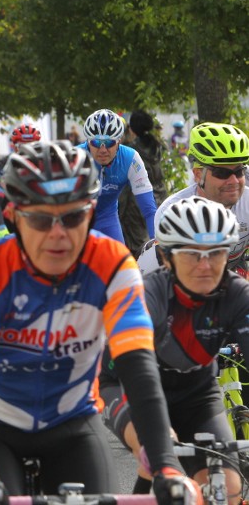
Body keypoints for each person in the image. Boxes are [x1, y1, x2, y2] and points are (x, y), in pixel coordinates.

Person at [0, 140, 199, 505]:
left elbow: (139, 368)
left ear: (91, 215)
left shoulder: (114, 265)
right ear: (13, 217)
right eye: (40, 219)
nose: (58, 234)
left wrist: (166, 466)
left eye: (72, 217)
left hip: (71, 421)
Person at [101, 197, 247, 501]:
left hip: (197, 395)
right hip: (130, 387)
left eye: (216, 253)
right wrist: (157, 436)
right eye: (193, 255)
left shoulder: (236, 293)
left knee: (230, 488)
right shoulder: (147, 294)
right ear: (167, 257)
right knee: (156, 457)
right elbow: (137, 371)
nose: (206, 265)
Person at [138, 122, 249, 275]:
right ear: (198, 175)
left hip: (232, 271)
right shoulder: (172, 212)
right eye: (221, 173)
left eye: (239, 172)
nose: (234, 181)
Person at [79, 108, 157, 245]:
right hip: (77, 220)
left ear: (119, 141)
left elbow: (149, 210)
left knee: (121, 264)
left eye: (109, 143)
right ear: (88, 142)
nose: (103, 150)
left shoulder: (130, 159)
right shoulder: (75, 157)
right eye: (96, 143)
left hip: (107, 219)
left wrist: (158, 244)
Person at [119, 111, 168, 257]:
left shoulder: (129, 151)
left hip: (136, 204)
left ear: (131, 128)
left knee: (138, 248)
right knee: (157, 243)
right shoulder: (158, 146)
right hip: (160, 198)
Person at [0, 124, 41, 239]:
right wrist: (1, 228)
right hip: (6, 226)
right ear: (15, 147)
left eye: (32, 146)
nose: (27, 151)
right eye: (23, 147)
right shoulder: (3, 166)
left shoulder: (43, 166)